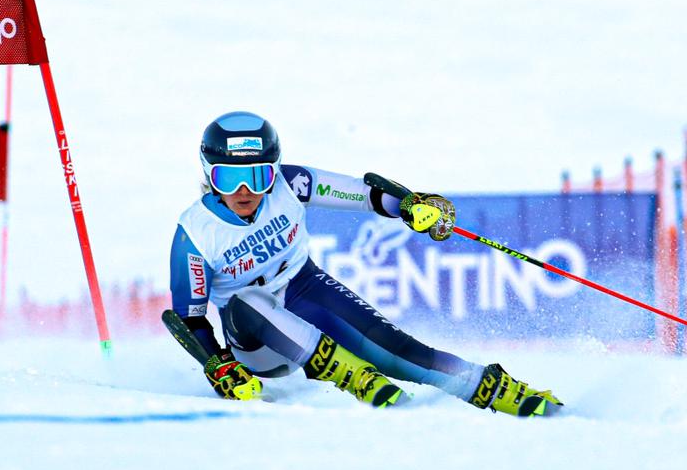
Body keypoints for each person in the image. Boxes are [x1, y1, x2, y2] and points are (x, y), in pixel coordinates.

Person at [168, 112, 562, 416]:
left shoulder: (290, 184)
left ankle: (488, 386)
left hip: (304, 290)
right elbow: (190, 319)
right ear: (207, 173)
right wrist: (217, 363)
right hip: (256, 347)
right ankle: (352, 376)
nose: (245, 191)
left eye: (258, 176)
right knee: (246, 302)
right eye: (229, 178)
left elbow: (361, 194)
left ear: (274, 170)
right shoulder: (196, 232)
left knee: (393, 348)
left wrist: (407, 205)